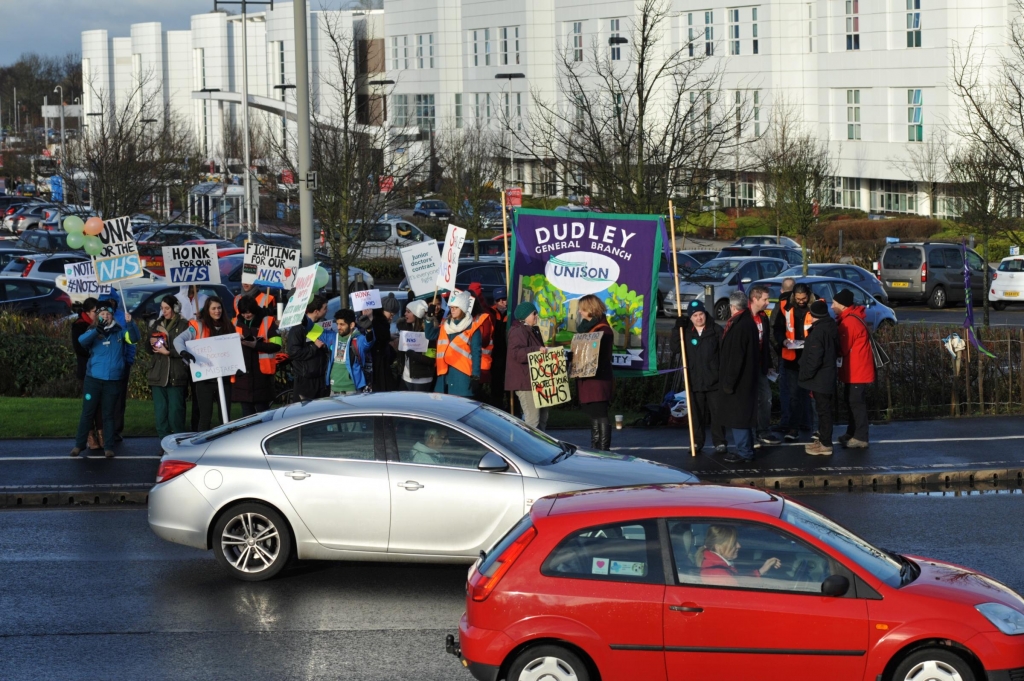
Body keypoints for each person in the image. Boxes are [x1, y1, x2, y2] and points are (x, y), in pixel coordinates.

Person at [70, 301, 140, 458]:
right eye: (102, 314)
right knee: (87, 412)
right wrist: (97, 331)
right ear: (98, 316)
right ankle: (79, 445)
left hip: (113, 380)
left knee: (108, 414)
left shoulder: (120, 332)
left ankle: (108, 446)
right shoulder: (92, 331)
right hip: (93, 380)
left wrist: (131, 324)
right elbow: (82, 341)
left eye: (108, 314)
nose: (105, 316)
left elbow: (134, 339)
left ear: (112, 316)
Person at [175, 296, 236, 430]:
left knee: (225, 417)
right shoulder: (198, 326)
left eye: (219, 308)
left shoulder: (229, 326)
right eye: (213, 308)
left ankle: (225, 445)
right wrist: (183, 352)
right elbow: (178, 340)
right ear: (207, 310)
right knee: (205, 417)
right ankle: (202, 447)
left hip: (224, 378)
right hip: (205, 379)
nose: (217, 311)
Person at [678, 300, 728, 454]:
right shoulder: (685, 332)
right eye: (695, 315)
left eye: (701, 314)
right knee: (696, 414)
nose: (699, 318)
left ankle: (719, 442)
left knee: (718, 413)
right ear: (690, 318)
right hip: (694, 380)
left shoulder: (716, 330)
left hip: (714, 380)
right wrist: (676, 327)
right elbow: (675, 348)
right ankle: (696, 442)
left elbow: (724, 354)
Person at [718, 291, 759, 464]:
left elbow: (736, 357)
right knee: (743, 416)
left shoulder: (739, 326)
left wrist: (728, 382)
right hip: (746, 379)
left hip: (739, 381)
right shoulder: (747, 322)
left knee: (739, 417)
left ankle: (744, 452)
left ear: (732, 307)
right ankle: (746, 450)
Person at [832, 288, 875, 448]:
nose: (832, 306)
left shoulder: (849, 322)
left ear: (842, 305)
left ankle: (861, 437)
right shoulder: (852, 317)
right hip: (856, 369)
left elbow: (842, 348)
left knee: (856, 403)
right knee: (852, 401)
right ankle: (852, 432)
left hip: (856, 370)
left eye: (834, 303)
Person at [145, 295, 190, 439]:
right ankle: (164, 442)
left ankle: (178, 441)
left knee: (176, 410)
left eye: (167, 308)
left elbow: (189, 349)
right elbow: (147, 349)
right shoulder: (156, 324)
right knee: (161, 411)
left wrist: (169, 352)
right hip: (158, 373)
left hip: (176, 373)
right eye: (162, 308)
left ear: (175, 308)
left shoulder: (184, 325)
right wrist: (150, 341)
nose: (164, 311)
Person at [232, 295, 283, 416]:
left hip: (262, 375)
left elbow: (277, 345)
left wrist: (256, 345)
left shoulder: (268, 321)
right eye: (243, 313)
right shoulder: (234, 322)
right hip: (242, 375)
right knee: (246, 414)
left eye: (249, 312)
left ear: (254, 309)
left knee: (263, 414)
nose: (246, 315)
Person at [800, 300, 839, 456]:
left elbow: (815, 358)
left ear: (812, 315)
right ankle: (823, 440)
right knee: (824, 410)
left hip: (820, 378)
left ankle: (826, 444)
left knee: (823, 411)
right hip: (827, 375)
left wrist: (805, 374)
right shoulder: (831, 326)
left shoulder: (818, 332)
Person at [576, 294, 614, 451]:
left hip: (598, 378)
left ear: (590, 309)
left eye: (582, 310)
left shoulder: (603, 330)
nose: (579, 313)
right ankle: (595, 447)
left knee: (600, 413)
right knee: (594, 414)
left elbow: (599, 355)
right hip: (589, 378)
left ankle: (603, 448)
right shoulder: (591, 328)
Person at [777, 282, 813, 441]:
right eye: (798, 298)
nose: (801, 301)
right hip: (791, 356)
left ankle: (807, 423)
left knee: (809, 393)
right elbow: (778, 328)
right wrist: (782, 341)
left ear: (808, 295)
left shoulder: (816, 306)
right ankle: (793, 428)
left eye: (803, 298)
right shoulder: (785, 306)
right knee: (794, 394)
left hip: (809, 356)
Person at [429, 290, 481, 397]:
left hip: (461, 376)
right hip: (444, 375)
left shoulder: (472, 328)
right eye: (451, 307)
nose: (452, 310)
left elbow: (476, 352)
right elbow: (430, 335)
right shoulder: (445, 325)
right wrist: (429, 318)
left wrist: (475, 375)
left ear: (462, 308)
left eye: (455, 307)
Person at [505, 301, 548, 430]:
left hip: (536, 380)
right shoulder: (518, 331)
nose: (536, 316)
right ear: (525, 316)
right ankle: (530, 449)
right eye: (534, 313)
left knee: (543, 418)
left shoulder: (531, 330)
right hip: (525, 382)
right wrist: (537, 349)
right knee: (532, 420)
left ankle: (543, 448)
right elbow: (517, 354)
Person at [748, 285, 781, 448]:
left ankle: (763, 431)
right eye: (765, 299)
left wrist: (769, 364)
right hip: (747, 368)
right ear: (755, 299)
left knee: (766, 398)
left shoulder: (763, 317)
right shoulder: (744, 317)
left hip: (760, 366)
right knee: (750, 401)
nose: (768, 303)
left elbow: (765, 342)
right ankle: (750, 434)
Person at [697, 525, 782, 587]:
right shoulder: (718, 574)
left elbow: (739, 580)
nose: (739, 546)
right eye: (734, 543)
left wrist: (761, 571)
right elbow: (743, 593)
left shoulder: (718, 566)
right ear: (718, 547)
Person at [285, 294, 330, 401]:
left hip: (320, 378)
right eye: (325, 308)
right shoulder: (298, 328)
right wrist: (314, 347)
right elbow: (294, 352)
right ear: (316, 311)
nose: (327, 311)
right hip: (305, 380)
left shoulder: (321, 325)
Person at [71, 298, 103, 449]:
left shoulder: (100, 325)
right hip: (86, 371)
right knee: (90, 404)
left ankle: (101, 433)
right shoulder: (79, 326)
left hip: (99, 370)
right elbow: (79, 347)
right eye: (94, 312)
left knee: (101, 404)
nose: (97, 315)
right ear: (87, 312)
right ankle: (90, 436)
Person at [771, 277, 796, 434]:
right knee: (801, 390)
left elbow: (773, 328)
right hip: (801, 353)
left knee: (786, 390)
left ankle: (787, 422)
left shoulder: (781, 305)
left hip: (786, 353)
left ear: (781, 290)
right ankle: (805, 422)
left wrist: (778, 347)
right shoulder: (802, 303)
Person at [329, 308, 374, 394]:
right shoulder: (333, 337)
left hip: (351, 389)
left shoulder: (358, 339)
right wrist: (304, 321)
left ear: (352, 325)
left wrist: (369, 329)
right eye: (337, 324)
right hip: (333, 389)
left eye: (342, 324)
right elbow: (312, 328)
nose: (338, 327)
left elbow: (368, 342)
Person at [397, 299, 436, 392]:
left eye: (408, 312)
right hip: (406, 377)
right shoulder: (407, 329)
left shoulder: (428, 334)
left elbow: (431, 359)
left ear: (416, 314)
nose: (405, 314)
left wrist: (414, 356)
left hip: (422, 380)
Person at [369, 296, 399, 393]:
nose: (392, 317)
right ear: (383, 310)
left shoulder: (379, 321)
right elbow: (380, 338)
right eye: (391, 314)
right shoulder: (379, 322)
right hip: (379, 363)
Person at [489, 287, 509, 410]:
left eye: (504, 299)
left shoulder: (511, 312)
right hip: (495, 354)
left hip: (508, 353)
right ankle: (497, 409)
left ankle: (513, 410)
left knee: (509, 385)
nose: (502, 302)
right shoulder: (491, 312)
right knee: (496, 385)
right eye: (499, 300)